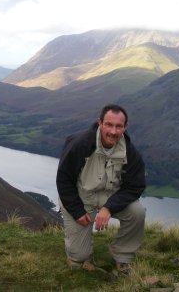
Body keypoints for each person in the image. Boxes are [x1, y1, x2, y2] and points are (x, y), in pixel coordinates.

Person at [56, 104, 146, 275]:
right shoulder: (80, 144)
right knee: (78, 258)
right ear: (100, 123)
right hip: (81, 197)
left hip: (110, 197)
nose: (113, 131)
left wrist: (109, 208)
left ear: (125, 127)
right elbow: (64, 180)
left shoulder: (130, 152)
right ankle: (82, 253)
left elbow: (135, 186)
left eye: (119, 126)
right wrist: (76, 210)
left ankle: (123, 256)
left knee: (137, 212)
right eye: (109, 125)